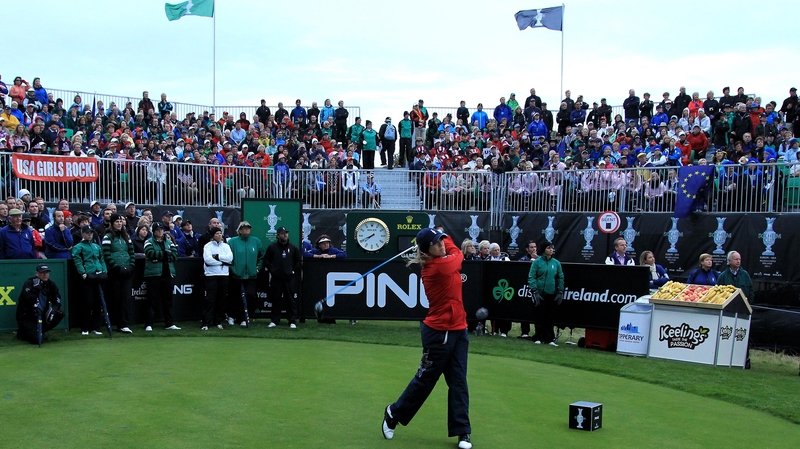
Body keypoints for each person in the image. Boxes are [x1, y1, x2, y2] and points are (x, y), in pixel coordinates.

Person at [383, 228, 472, 449]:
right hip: (439, 333)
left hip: (459, 329)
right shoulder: (437, 267)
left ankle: (463, 432)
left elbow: (451, 249)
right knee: (425, 381)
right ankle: (393, 413)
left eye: (441, 241)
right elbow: (458, 255)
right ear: (426, 251)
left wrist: (442, 235)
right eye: (436, 243)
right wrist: (447, 238)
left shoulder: (441, 258)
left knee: (459, 381)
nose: (441, 245)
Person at [71, 225, 108, 336]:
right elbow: (78, 261)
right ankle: (85, 327)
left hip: (98, 275)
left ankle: (95, 327)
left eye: (91, 233)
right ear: (82, 233)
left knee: (98, 303)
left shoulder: (96, 246)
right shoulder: (78, 247)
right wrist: (83, 274)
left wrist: (104, 271)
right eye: (87, 233)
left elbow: (101, 260)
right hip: (88, 276)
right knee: (87, 303)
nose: (89, 235)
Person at [143, 222, 180, 331]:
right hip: (153, 274)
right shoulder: (148, 242)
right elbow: (150, 254)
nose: (160, 231)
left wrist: (162, 256)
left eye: (162, 229)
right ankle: (149, 323)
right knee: (152, 300)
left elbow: (174, 255)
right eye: (158, 230)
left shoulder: (169, 242)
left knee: (168, 300)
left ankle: (169, 323)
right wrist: (164, 254)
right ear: (153, 231)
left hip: (167, 274)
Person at [102, 213, 136, 334]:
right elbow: (106, 254)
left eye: (121, 221)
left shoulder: (126, 236)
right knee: (116, 298)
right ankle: (116, 323)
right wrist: (116, 267)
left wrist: (131, 266)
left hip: (127, 271)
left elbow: (131, 253)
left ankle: (124, 323)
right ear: (112, 223)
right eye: (117, 221)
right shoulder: (108, 237)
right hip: (114, 272)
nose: (119, 223)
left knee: (126, 298)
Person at [227, 220, 265, 327]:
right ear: (239, 230)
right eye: (244, 228)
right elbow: (227, 257)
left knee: (249, 295)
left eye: (248, 228)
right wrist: (232, 268)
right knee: (234, 296)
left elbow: (262, 256)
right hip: (236, 274)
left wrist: (257, 268)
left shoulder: (256, 241)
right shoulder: (232, 242)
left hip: (251, 275)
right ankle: (231, 316)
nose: (246, 230)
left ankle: (243, 318)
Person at [15, 264, 65, 344]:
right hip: (28, 317)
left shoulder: (51, 285)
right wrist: (37, 290)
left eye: (47, 272)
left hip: (42, 315)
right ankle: (23, 333)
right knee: (37, 340)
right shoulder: (29, 283)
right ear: (37, 273)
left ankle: (41, 331)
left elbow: (57, 300)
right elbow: (28, 299)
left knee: (60, 313)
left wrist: (54, 309)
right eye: (42, 272)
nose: (45, 275)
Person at [527, 241, 564, 346]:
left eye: (552, 248)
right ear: (544, 250)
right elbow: (532, 276)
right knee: (539, 316)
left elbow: (560, 277)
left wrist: (560, 291)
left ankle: (549, 339)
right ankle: (538, 337)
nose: (551, 250)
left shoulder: (556, 263)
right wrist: (535, 291)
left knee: (550, 317)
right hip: (539, 293)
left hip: (551, 293)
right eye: (548, 248)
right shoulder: (537, 262)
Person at [265, 226, 302, 328]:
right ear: (278, 236)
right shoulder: (272, 247)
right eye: (282, 233)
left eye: (286, 233)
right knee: (276, 299)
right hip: (276, 278)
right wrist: (272, 270)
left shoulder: (293, 247)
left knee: (290, 300)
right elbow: (266, 260)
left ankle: (292, 321)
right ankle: (275, 320)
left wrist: (292, 271)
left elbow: (298, 261)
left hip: (289, 278)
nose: (285, 235)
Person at [202, 227, 233, 331]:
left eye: (220, 233)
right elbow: (208, 260)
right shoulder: (208, 246)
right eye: (217, 233)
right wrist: (222, 262)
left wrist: (218, 257)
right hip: (211, 275)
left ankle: (218, 321)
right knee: (210, 299)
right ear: (213, 235)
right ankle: (206, 322)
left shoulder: (226, 246)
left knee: (221, 299)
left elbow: (230, 258)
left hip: (224, 275)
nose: (219, 235)